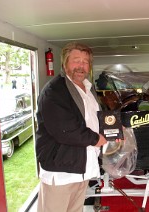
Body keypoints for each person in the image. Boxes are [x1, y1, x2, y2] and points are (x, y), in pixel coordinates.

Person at [35, 42, 108, 212]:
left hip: (81, 167)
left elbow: (93, 120)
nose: (81, 66)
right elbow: (65, 130)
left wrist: (111, 131)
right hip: (61, 171)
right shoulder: (54, 91)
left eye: (85, 62)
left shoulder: (88, 89)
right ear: (65, 63)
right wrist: (96, 139)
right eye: (76, 60)